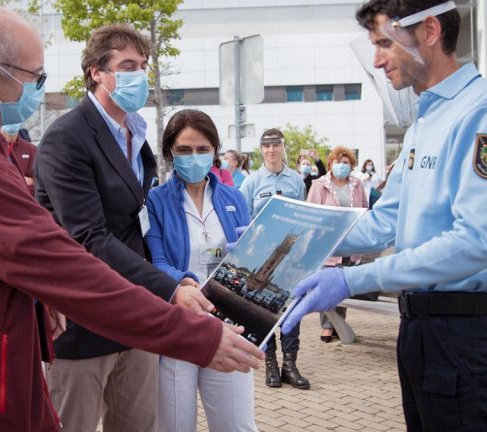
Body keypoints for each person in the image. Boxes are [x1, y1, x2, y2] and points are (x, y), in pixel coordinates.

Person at [0, 5, 263, 432]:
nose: (39, 90)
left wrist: (39, 300)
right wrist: (193, 331)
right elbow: (67, 257)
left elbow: (8, 254)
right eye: (34, 77)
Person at [282, 0, 487, 430]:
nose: (377, 61)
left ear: (430, 31)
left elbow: (476, 241)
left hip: (466, 331)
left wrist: (354, 280)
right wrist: (291, 232)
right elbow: (384, 222)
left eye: (384, 43)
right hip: (419, 328)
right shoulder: (423, 122)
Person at [34, 23, 227, 432]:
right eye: (127, 65)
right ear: (96, 72)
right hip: (84, 320)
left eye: (142, 65)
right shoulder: (66, 138)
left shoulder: (136, 136)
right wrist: (170, 289)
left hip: (136, 319)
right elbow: (88, 238)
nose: (139, 75)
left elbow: (133, 228)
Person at [145, 109, 257, 432]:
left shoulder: (234, 198)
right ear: (169, 153)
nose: (193, 157)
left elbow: (248, 255)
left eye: (202, 149)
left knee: (236, 425)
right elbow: (157, 261)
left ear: (214, 151)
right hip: (179, 324)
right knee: (175, 426)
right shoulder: (155, 201)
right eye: (184, 150)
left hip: (229, 324)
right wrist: (183, 281)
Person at [239, 128, 309, 390]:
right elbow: (243, 221)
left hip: (291, 255)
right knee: (263, 311)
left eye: (275, 145)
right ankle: (270, 363)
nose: (271, 151)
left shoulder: (297, 181)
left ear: (283, 148)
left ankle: (290, 364)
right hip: (262, 255)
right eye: (266, 146)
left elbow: (302, 216)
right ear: (261, 150)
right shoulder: (251, 183)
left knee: (291, 309)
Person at [306, 146, 368, 342]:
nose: (342, 166)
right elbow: (313, 212)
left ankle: (338, 326)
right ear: (330, 163)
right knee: (326, 286)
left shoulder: (357, 184)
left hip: (351, 242)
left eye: (346, 162)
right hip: (328, 245)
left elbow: (365, 208)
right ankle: (326, 325)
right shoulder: (319, 185)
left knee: (342, 286)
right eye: (338, 162)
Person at [1, 122, 37, 196]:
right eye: (9, 119)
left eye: (15, 119)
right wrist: (21, 180)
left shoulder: (31, 150)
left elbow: (40, 185)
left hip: (25, 204)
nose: (12, 122)